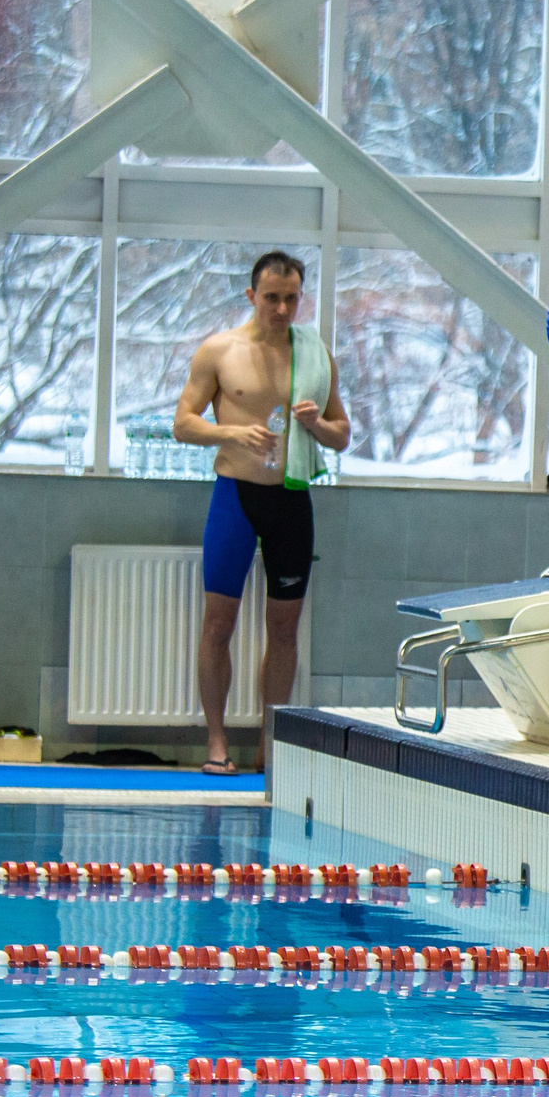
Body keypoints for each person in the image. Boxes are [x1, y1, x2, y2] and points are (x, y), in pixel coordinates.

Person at [174, 251, 349, 774]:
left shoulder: (315, 354)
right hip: (235, 496)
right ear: (251, 296)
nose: (281, 308)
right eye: (271, 297)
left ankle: (271, 746)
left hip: (291, 499)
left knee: (285, 630)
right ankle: (216, 742)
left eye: (291, 298)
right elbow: (183, 423)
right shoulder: (220, 350)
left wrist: (316, 423)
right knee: (218, 624)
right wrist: (232, 431)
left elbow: (342, 435)